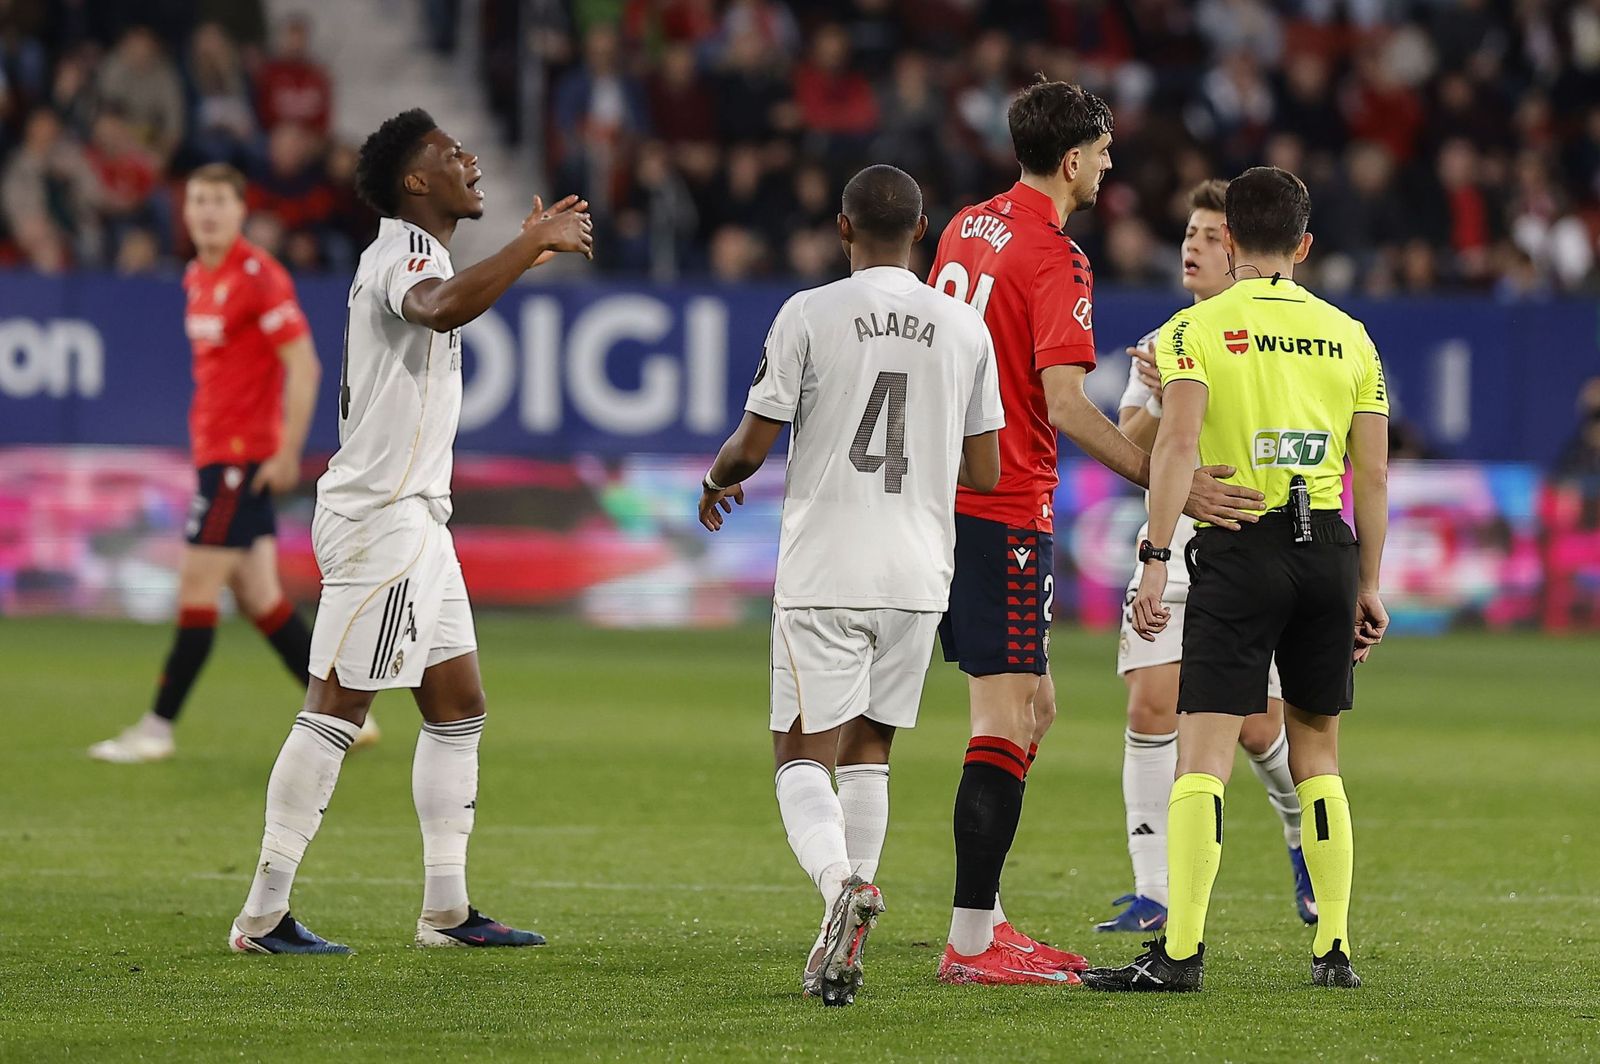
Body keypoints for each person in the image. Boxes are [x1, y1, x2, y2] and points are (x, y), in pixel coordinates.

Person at [226, 109, 593, 954]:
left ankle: (446, 911)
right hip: (381, 521)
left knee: (458, 706)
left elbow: (449, 303)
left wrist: (521, 254)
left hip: (418, 520)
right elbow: (438, 309)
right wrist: (526, 243)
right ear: (415, 181)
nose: (470, 158)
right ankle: (262, 914)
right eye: (448, 152)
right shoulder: (407, 255)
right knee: (336, 708)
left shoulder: (417, 253)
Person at [925, 77, 1262, 985]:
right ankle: (971, 943)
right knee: (1006, 718)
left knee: (1034, 708)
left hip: (949, 498)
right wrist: (1170, 482)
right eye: (1105, 153)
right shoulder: (1057, 257)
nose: (1111, 167)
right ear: (1072, 159)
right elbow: (1068, 406)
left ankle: (986, 917)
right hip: (1005, 504)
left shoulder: (966, 227)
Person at [698, 164, 1003, 1006]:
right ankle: (840, 941)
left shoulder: (809, 313)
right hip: (918, 574)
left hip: (827, 568)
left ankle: (842, 886)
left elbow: (751, 446)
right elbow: (986, 470)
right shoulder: (964, 326)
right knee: (870, 751)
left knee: (801, 754)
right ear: (922, 230)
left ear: (842, 228)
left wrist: (716, 480)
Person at [1081, 166, 1389, 993]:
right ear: (1304, 244)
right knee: (1317, 753)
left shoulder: (1195, 329)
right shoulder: (1352, 336)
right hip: (1327, 547)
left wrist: (1154, 558)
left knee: (1204, 754)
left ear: (1234, 239)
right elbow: (1372, 475)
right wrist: (1369, 583)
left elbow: (1176, 447)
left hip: (1238, 544)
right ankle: (1334, 950)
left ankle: (1179, 952)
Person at [1097, 179, 1315, 933]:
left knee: (1256, 725)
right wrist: (1164, 395)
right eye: (1189, 232)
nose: (1193, 245)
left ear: (1242, 250)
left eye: (1212, 236)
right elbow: (1127, 447)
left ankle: (1302, 838)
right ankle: (1153, 891)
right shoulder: (1166, 339)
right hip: (1176, 544)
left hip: (1251, 547)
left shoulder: (1279, 336)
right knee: (1150, 704)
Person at [88, 163, 327, 764]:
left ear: (241, 210)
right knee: (260, 597)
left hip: (241, 459)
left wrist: (287, 451)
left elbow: (304, 365)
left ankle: (157, 729)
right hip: (215, 454)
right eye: (198, 201)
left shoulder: (260, 277)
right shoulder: (197, 275)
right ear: (185, 210)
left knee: (196, 585)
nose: (208, 212)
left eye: (220, 200)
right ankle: (341, 715)